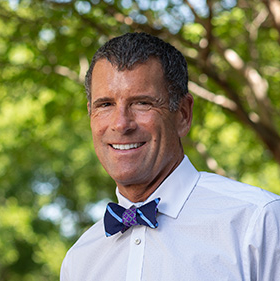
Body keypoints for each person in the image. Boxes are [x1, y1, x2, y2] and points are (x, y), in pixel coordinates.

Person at [60, 32, 280, 281]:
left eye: (142, 103)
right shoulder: (79, 260)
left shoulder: (258, 222)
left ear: (183, 115)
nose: (121, 124)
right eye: (105, 105)